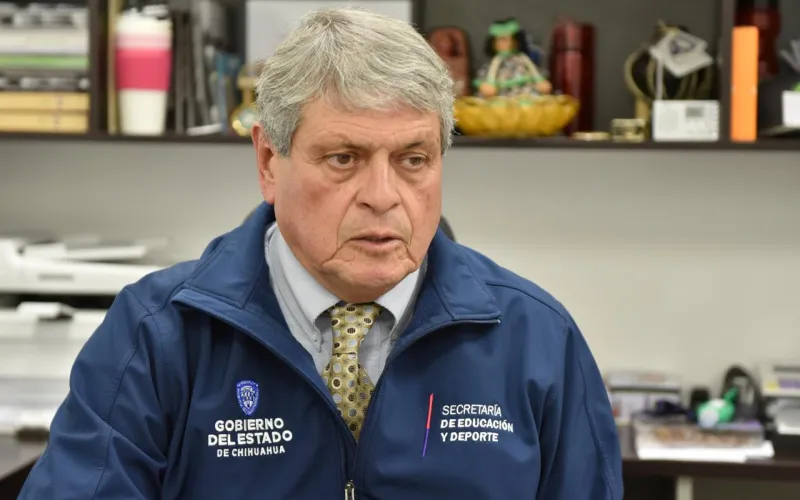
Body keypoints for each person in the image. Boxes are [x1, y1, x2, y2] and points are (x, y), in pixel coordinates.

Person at [19, 7, 622, 499]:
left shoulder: (537, 339)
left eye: (413, 160)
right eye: (343, 159)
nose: (383, 196)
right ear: (268, 162)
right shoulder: (158, 335)